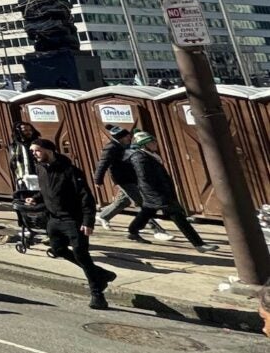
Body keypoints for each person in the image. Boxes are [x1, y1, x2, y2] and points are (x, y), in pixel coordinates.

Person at [28, 138, 115, 309]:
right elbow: (46, 189)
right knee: (57, 249)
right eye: (32, 151)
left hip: (73, 220)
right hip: (53, 219)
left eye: (36, 150)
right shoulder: (40, 168)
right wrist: (36, 198)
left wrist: (88, 222)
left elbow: (86, 197)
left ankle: (97, 294)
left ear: (49, 150)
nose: (34, 154)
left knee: (82, 255)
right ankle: (101, 274)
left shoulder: (70, 171)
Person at [124, 132, 217, 252]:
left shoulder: (150, 155)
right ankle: (199, 244)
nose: (155, 144)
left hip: (158, 191)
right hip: (156, 192)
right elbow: (145, 178)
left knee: (147, 212)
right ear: (144, 145)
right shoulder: (140, 157)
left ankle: (132, 230)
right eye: (152, 142)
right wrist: (157, 192)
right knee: (178, 216)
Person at [92, 125, 169, 239]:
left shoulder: (127, 145)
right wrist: (98, 180)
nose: (130, 138)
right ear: (121, 138)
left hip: (133, 177)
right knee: (143, 203)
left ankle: (104, 216)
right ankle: (157, 230)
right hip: (124, 180)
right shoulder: (111, 147)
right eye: (127, 136)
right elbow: (103, 164)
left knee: (124, 201)